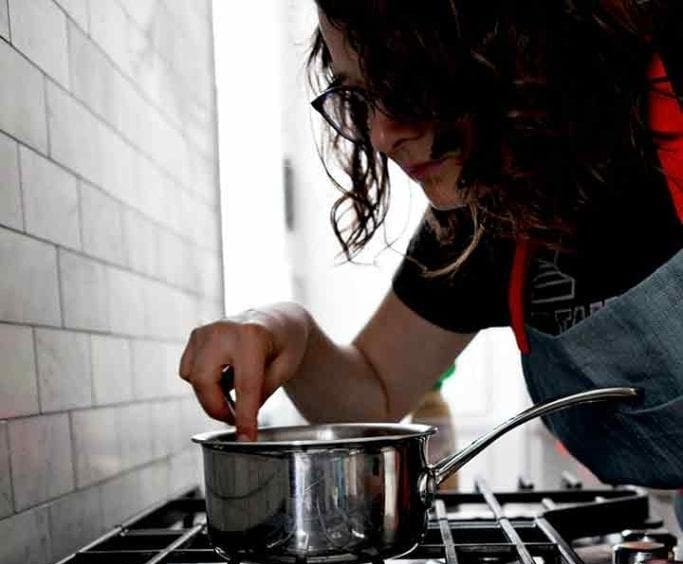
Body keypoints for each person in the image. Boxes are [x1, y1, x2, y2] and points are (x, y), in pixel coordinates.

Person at [179, 1, 683, 502]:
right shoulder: (487, 208)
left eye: (405, 84)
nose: (380, 135)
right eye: (360, 96)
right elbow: (371, 396)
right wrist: (290, 330)